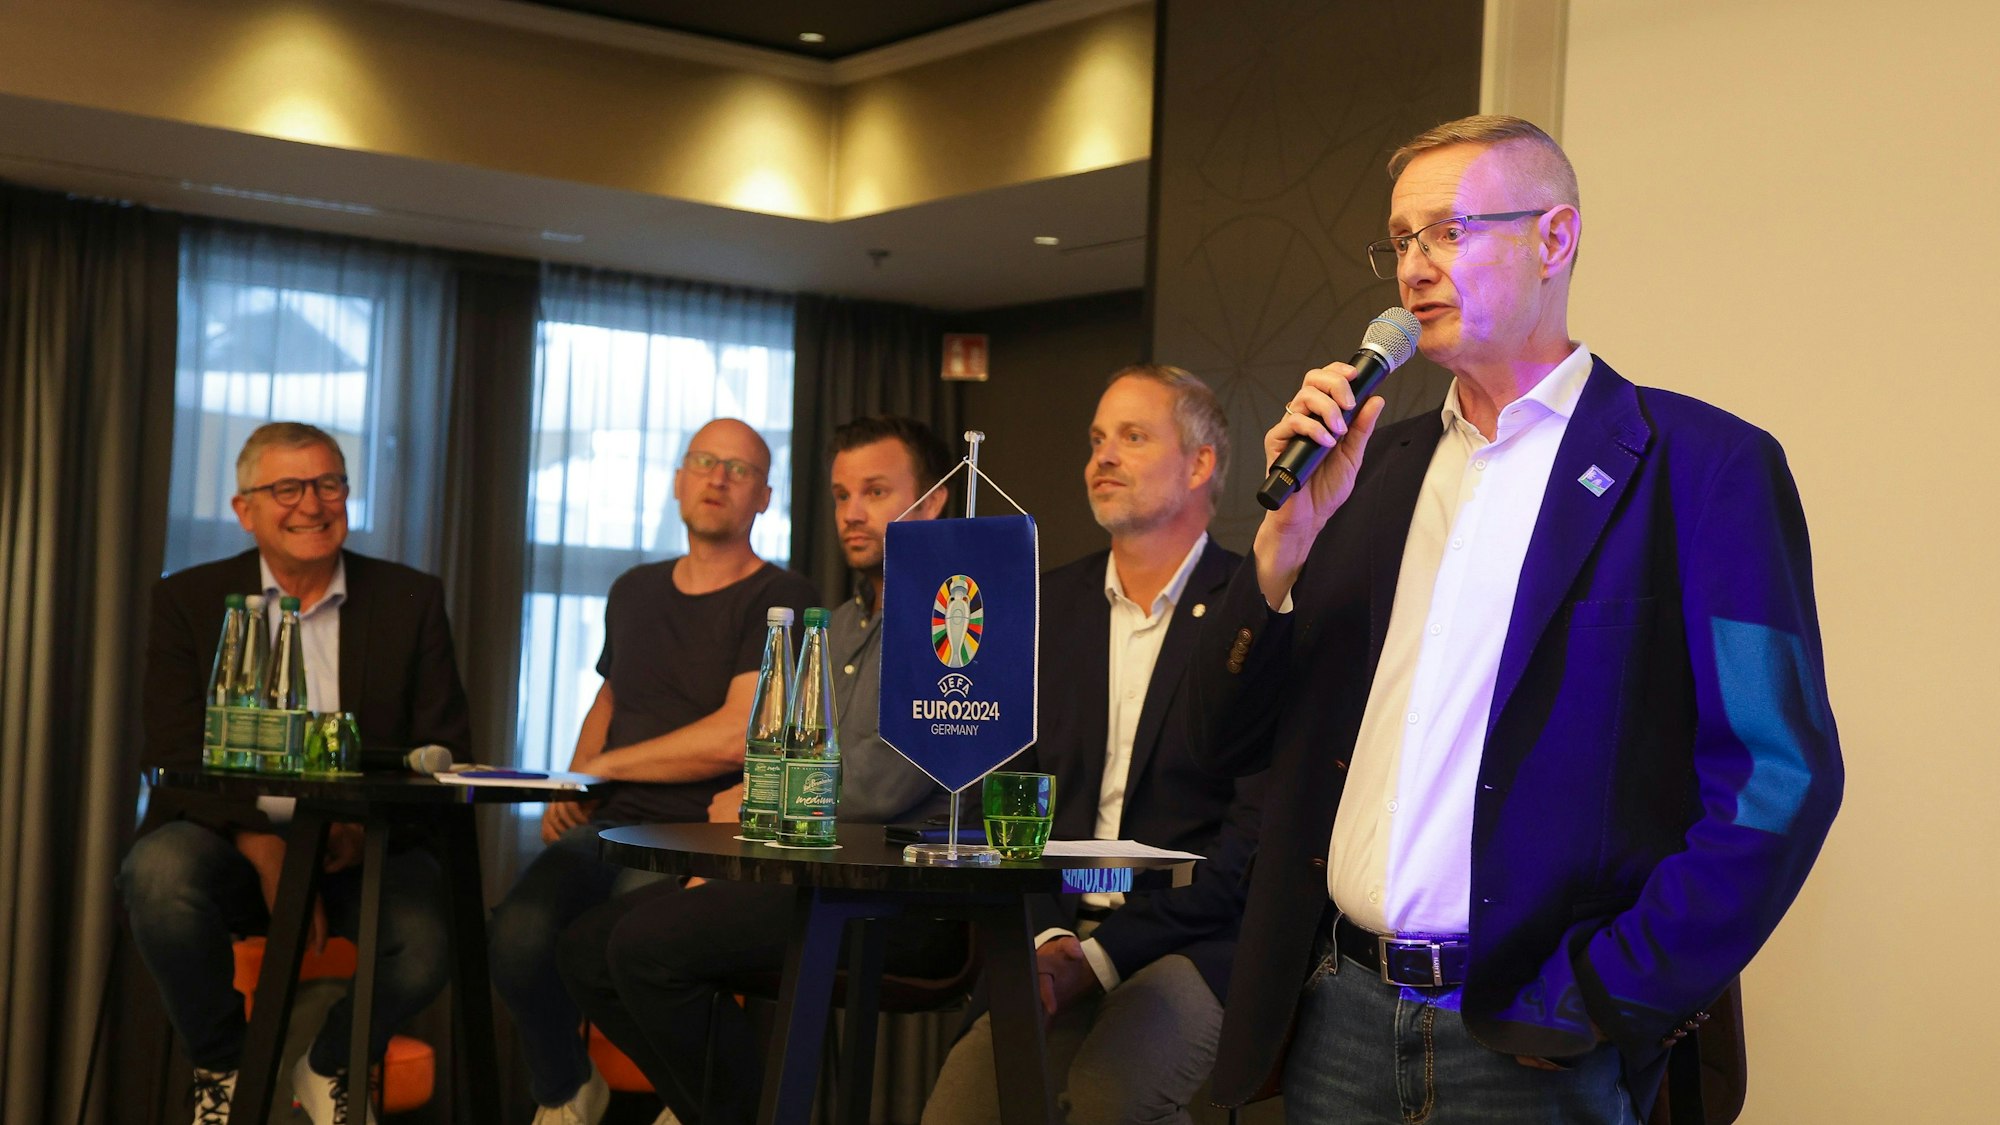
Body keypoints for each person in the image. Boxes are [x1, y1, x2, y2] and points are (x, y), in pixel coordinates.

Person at [1187, 115, 1844, 1123]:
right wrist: (1278, 554)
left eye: (1447, 231)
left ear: (1554, 239)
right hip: (1335, 1022)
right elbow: (1216, 742)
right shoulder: (1370, 473)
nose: (1413, 268)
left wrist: (1600, 1000)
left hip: (1536, 1046)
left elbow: (1777, 780)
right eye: (1399, 240)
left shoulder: (1700, 467)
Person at [556, 414, 965, 1125]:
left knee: (645, 947)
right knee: (587, 948)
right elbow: (796, 753)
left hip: (907, 894)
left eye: (874, 490)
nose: (853, 512)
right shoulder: (836, 623)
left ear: (931, 503)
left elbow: (883, 784)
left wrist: (754, 799)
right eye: (841, 495)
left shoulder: (956, 618)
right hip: (812, 874)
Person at [922, 366, 1260, 1125]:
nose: (1101, 456)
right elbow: (996, 793)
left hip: (1195, 939)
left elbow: (1251, 841)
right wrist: (1046, 938)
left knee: (1113, 1099)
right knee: (960, 1110)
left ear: (1201, 463)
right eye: (1096, 439)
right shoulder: (1040, 607)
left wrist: (1099, 959)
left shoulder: (1255, 610)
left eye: (1132, 437)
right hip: (1048, 930)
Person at [120, 422, 473, 1125]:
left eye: (329, 483)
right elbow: (172, 750)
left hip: (361, 843)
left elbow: (443, 747)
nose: (312, 503)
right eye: (287, 487)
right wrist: (263, 842)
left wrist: (344, 831)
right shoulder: (189, 600)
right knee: (156, 876)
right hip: (222, 839)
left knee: (431, 937)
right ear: (244, 509)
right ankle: (225, 1066)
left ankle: (330, 1064)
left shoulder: (411, 598)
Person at [490, 417, 817, 1125]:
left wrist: (605, 764)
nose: (717, 477)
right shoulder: (633, 588)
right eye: (704, 461)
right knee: (516, 936)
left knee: (621, 947)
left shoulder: (781, 596)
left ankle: (696, 1103)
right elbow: (612, 692)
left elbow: (738, 734)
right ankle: (567, 1088)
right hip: (611, 819)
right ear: (677, 480)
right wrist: (573, 780)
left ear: (763, 496)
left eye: (738, 468)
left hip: (697, 832)